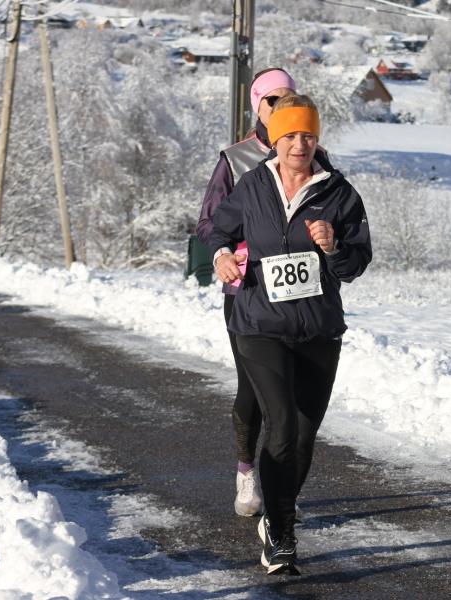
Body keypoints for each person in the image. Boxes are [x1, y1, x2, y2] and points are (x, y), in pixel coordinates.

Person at [208, 94, 372, 574]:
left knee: (302, 435)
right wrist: (221, 256)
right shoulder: (254, 185)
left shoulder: (339, 193)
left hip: (318, 329)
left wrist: (335, 245)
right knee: (281, 425)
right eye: (289, 135)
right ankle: (281, 532)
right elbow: (217, 230)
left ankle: (278, 511)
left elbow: (357, 262)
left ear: (317, 140)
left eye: (307, 135)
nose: (299, 144)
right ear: (274, 138)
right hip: (259, 325)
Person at [196, 67, 297, 518]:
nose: (279, 107)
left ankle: (282, 490)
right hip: (248, 291)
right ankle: (246, 472)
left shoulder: (313, 154)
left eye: (288, 97)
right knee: (255, 388)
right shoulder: (236, 159)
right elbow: (209, 223)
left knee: (292, 392)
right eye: (271, 99)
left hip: (299, 295)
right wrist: (222, 253)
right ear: (256, 105)